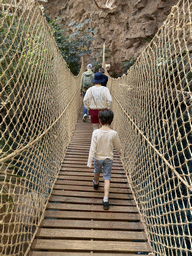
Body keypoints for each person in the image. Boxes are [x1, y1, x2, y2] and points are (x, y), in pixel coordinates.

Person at [87, 109, 121, 210]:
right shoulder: (114, 133)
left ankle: (96, 183)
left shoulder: (96, 132)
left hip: (98, 158)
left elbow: (92, 147)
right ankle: (105, 199)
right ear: (111, 121)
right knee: (107, 177)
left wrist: (90, 161)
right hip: (108, 158)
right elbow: (117, 145)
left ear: (99, 121)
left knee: (97, 172)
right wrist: (120, 151)